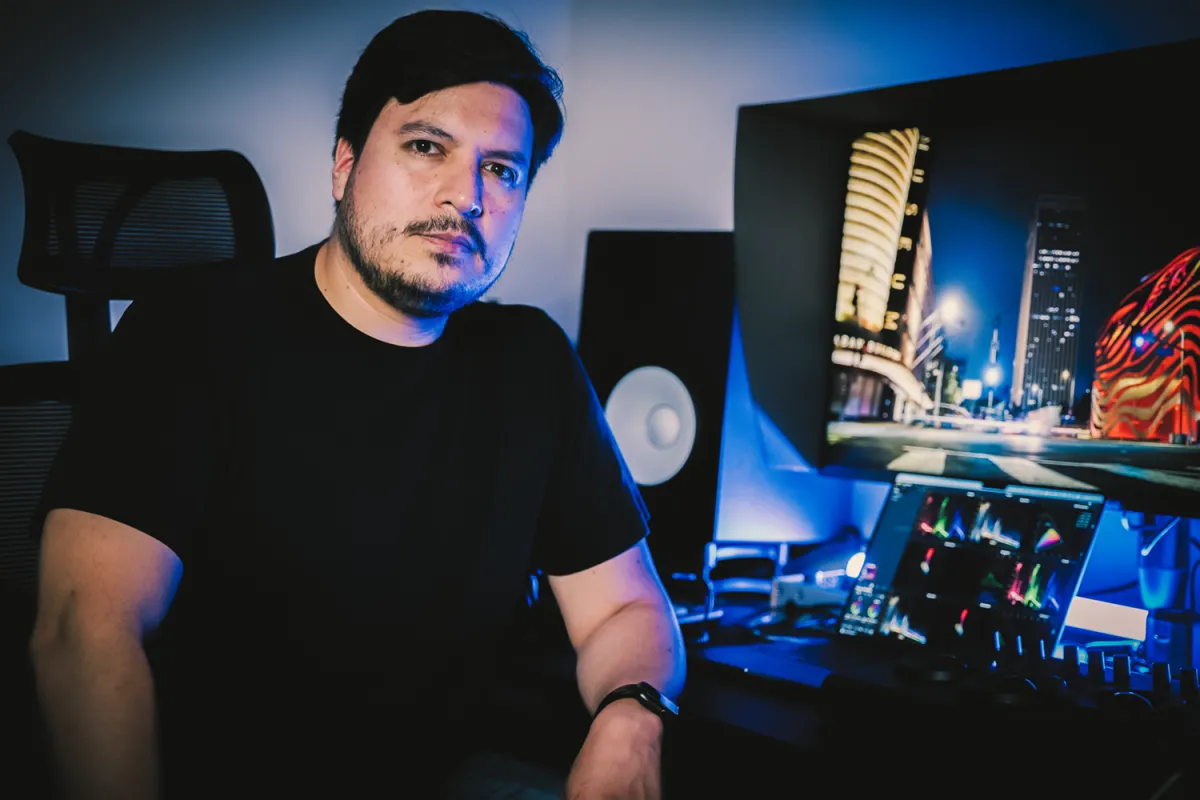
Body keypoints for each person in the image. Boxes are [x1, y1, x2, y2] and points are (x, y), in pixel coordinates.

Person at [28, 10, 685, 799]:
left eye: (502, 170)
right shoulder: (190, 330)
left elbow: (624, 609)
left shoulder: (532, 362)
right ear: (344, 166)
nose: (466, 196)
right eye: (427, 147)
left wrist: (632, 714)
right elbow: (87, 627)